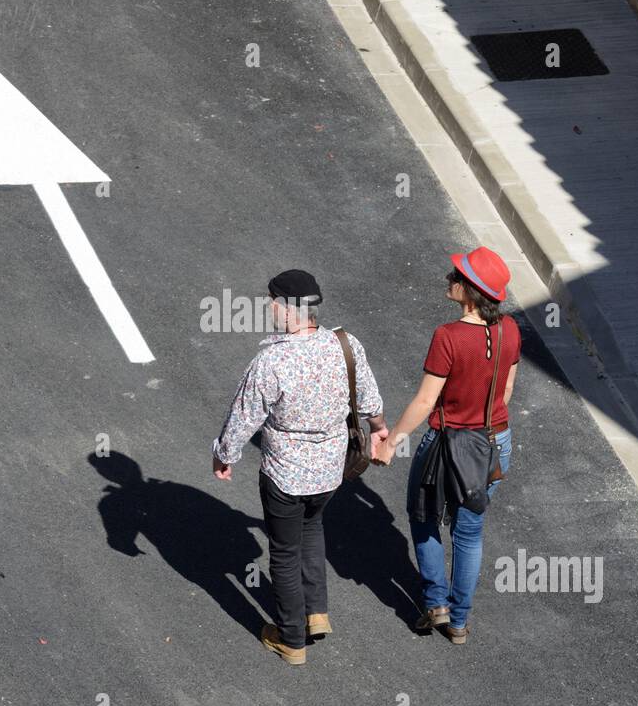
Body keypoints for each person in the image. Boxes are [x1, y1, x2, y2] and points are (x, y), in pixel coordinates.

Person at [212, 270, 386, 665]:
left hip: (285, 475)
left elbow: (242, 418)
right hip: (330, 473)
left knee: (285, 552)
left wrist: (224, 455)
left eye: (271, 301)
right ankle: (316, 611)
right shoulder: (345, 344)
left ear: (287, 307)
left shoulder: (272, 359)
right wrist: (380, 431)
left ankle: (291, 639)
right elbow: (370, 400)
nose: (269, 307)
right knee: (313, 528)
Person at [374, 247, 520, 644]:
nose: (448, 279)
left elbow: (424, 401)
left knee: (423, 516)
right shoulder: (511, 328)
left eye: (456, 275)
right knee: (469, 532)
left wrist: (391, 445)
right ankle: (458, 621)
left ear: (471, 291)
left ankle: (435, 602)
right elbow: (506, 388)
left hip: (447, 446)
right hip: (494, 442)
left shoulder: (449, 336)